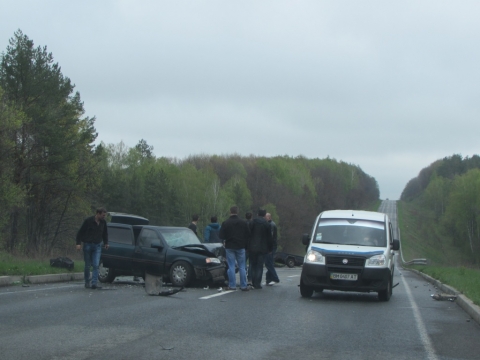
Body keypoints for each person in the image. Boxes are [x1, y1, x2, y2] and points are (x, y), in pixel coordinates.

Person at [76, 207, 109, 289]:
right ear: (97, 213)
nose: (103, 217)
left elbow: (105, 234)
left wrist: (106, 243)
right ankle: (87, 281)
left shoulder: (103, 223)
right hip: (88, 244)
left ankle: (94, 283)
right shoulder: (88, 221)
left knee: (96, 265)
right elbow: (80, 232)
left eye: (104, 215)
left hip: (97, 245)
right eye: (102, 215)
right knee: (87, 265)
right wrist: (78, 243)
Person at [219, 206, 250, 291]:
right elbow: (248, 235)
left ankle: (232, 285)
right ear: (238, 212)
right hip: (240, 246)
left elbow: (221, 235)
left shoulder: (226, 223)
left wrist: (226, 240)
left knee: (231, 266)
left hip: (230, 246)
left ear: (230, 212)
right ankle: (243, 285)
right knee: (242, 266)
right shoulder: (243, 223)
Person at [248, 209, 272, 289]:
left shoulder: (252, 222)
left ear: (257, 214)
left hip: (252, 247)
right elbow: (269, 237)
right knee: (260, 265)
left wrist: (247, 245)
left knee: (253, 264)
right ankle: (257, 283)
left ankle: (253, 281)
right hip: (263, 248)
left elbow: (248, 234)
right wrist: (270, 248)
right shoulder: (267, 224)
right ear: (265, 215)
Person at [265, 213, 280, 285]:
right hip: (272, 245)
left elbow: (270, 237)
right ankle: (268, 279)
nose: (265, 218)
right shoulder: (272, 224)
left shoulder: (271, 225)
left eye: (266, 217)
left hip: (271, 246)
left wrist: (269, 247)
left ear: (269, 217)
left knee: (269, 263)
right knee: (269, 262)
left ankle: (275, 277)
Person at [245, 212, 253, 286]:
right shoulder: (253, 224)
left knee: (243, 262)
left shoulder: (243, 224)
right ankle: (250, 279)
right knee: (251, 263)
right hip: (251, 246)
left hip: (244, 245)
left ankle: (243, 277)